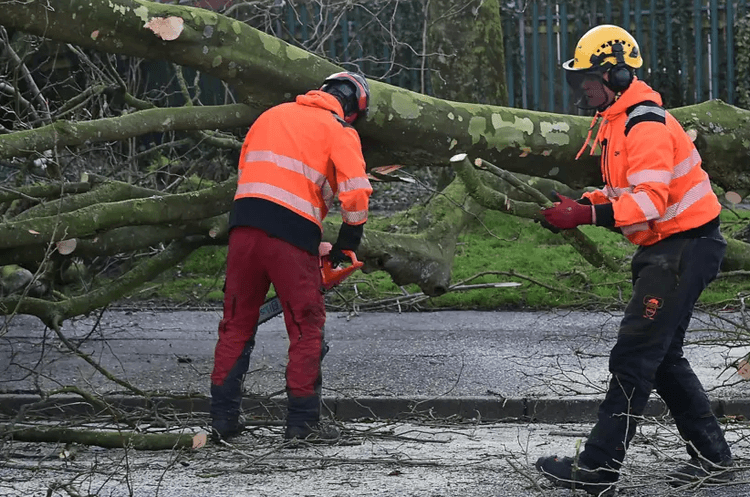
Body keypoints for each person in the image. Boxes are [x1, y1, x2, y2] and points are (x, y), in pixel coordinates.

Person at [535, 25, 733, 495]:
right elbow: (624, 191)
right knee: (661, 358)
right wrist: (581, 203)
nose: (580, 87)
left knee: (634, 356)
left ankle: (598, 467)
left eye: (586, 77)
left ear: (618, 74)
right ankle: (714, 457)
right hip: (675, 247)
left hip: (683, 246)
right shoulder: (619, 122)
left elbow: (650, 204)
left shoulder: (644, 125)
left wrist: (585, 214)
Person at [210, 71, 373, 443]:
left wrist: (308, 237)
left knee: (236, 325)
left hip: (244, 226)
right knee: (305, 327)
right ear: (353, 109)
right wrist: (350, 237)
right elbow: (355, 193)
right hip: (289, 236)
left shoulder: (271, 115)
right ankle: (302, 424)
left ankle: (222, 422)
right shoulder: (339, 130)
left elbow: (257, 177)